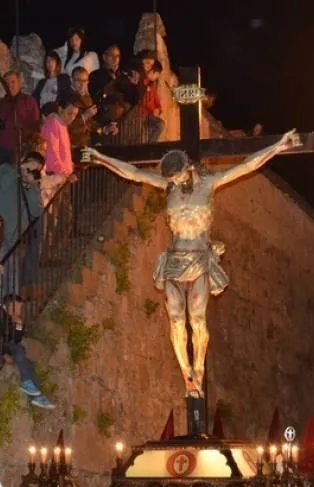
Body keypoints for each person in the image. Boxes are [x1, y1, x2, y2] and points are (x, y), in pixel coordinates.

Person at [81, 131, 302, 397]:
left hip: (198, 259)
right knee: (175, 319)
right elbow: (133, 173)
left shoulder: (209, 183)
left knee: (196, 319)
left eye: (175, 176)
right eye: (169, 178)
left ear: (186, 169)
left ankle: (199, 367)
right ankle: (186, 372)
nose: (171, 181)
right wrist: (100, 157)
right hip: (175, 260)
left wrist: (278, 146)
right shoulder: (169, 187)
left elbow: (246, 166)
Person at [0, 295, 55, 409]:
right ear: (9, 305)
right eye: (18, 307)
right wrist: (4, 354)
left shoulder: (10, 318)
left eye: (21, 308)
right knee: (24, 358)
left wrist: (19, 325)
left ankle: (36, 395)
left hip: (6, 345)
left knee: (25, 359)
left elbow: (16, 339)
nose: (20, 311)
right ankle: (36, 396)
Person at [0, 71, 40, 175]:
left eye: (13, 82)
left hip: (17, 150)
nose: (10, 86)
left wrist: (22, 131)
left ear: (19, 83)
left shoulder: (29, 101)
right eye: (6, 83)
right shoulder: (1, 103)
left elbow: (35, 126)